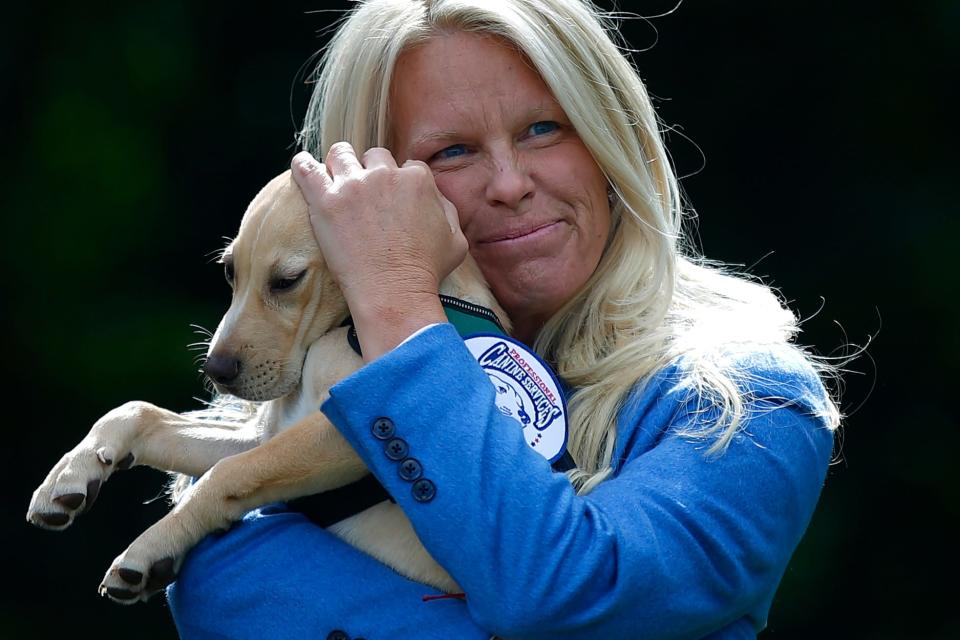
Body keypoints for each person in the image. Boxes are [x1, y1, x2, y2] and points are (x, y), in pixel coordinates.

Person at [167, 1, 840, 638]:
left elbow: (566, 591)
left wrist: (401, 315)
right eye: (451, 151)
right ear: (364, 196)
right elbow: (218, 587)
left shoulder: (746, 400)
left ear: (612, 142)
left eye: (543, 129)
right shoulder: (276, 413)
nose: (510, 183)